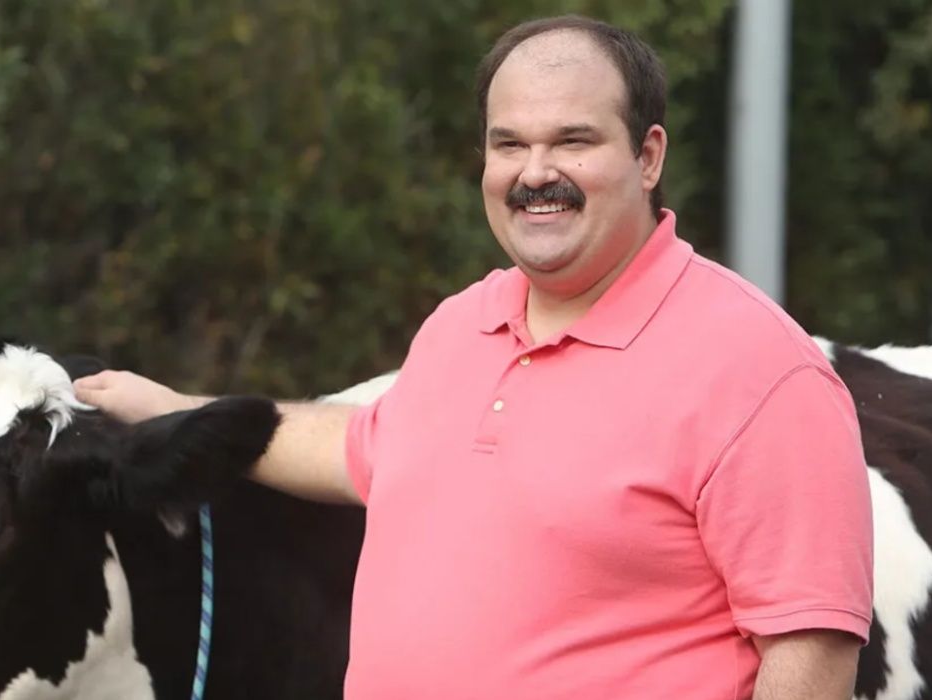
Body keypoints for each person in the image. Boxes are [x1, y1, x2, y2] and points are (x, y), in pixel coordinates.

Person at [75, 14, 873, 700]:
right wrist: (179, 412)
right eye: (509, 144)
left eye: (573, 141)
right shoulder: (462, 324)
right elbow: (361, 448)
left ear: (649, 155)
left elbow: (811, 649)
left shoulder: (759, 369)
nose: (535, 174)